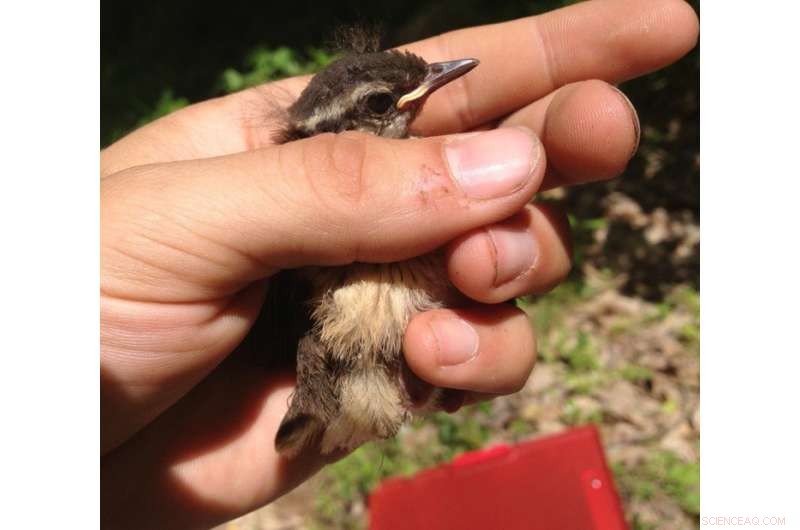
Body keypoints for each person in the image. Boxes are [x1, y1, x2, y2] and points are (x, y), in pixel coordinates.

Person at [100, 0, 699, 528]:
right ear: (335, 135)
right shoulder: (323, 203)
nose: (419, 95)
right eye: (384, 104)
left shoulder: (393, 170)